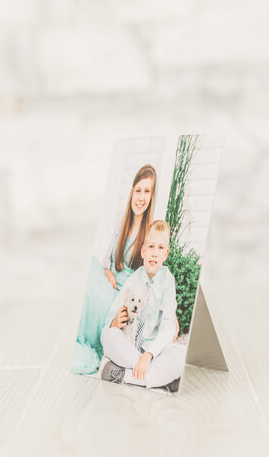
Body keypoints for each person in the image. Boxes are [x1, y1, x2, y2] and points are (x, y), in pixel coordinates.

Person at [72, 164, 157, 374]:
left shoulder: (149, 233)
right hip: (108, 284)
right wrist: (108, 271)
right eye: (138, 190)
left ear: (152, 197)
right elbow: (105, 261)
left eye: (147, 192)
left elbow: (147, 282)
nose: (141, 197)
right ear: (132, 192)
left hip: (120, 299)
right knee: (90, 264)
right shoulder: (123, 221)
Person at [100, 220, 186, 393]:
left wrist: (148, 355)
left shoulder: (168, 281)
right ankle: (160, 381)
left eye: (160, 248)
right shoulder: (133, 279)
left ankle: (124, 375)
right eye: (151, 247)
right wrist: (115, 322)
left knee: (181, 355)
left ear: (166, 254)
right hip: (130, 349)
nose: (155, 253)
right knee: (108, 335)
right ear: (143, 251)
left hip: (153, 352)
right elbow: (111, 318)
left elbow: (169, 326)